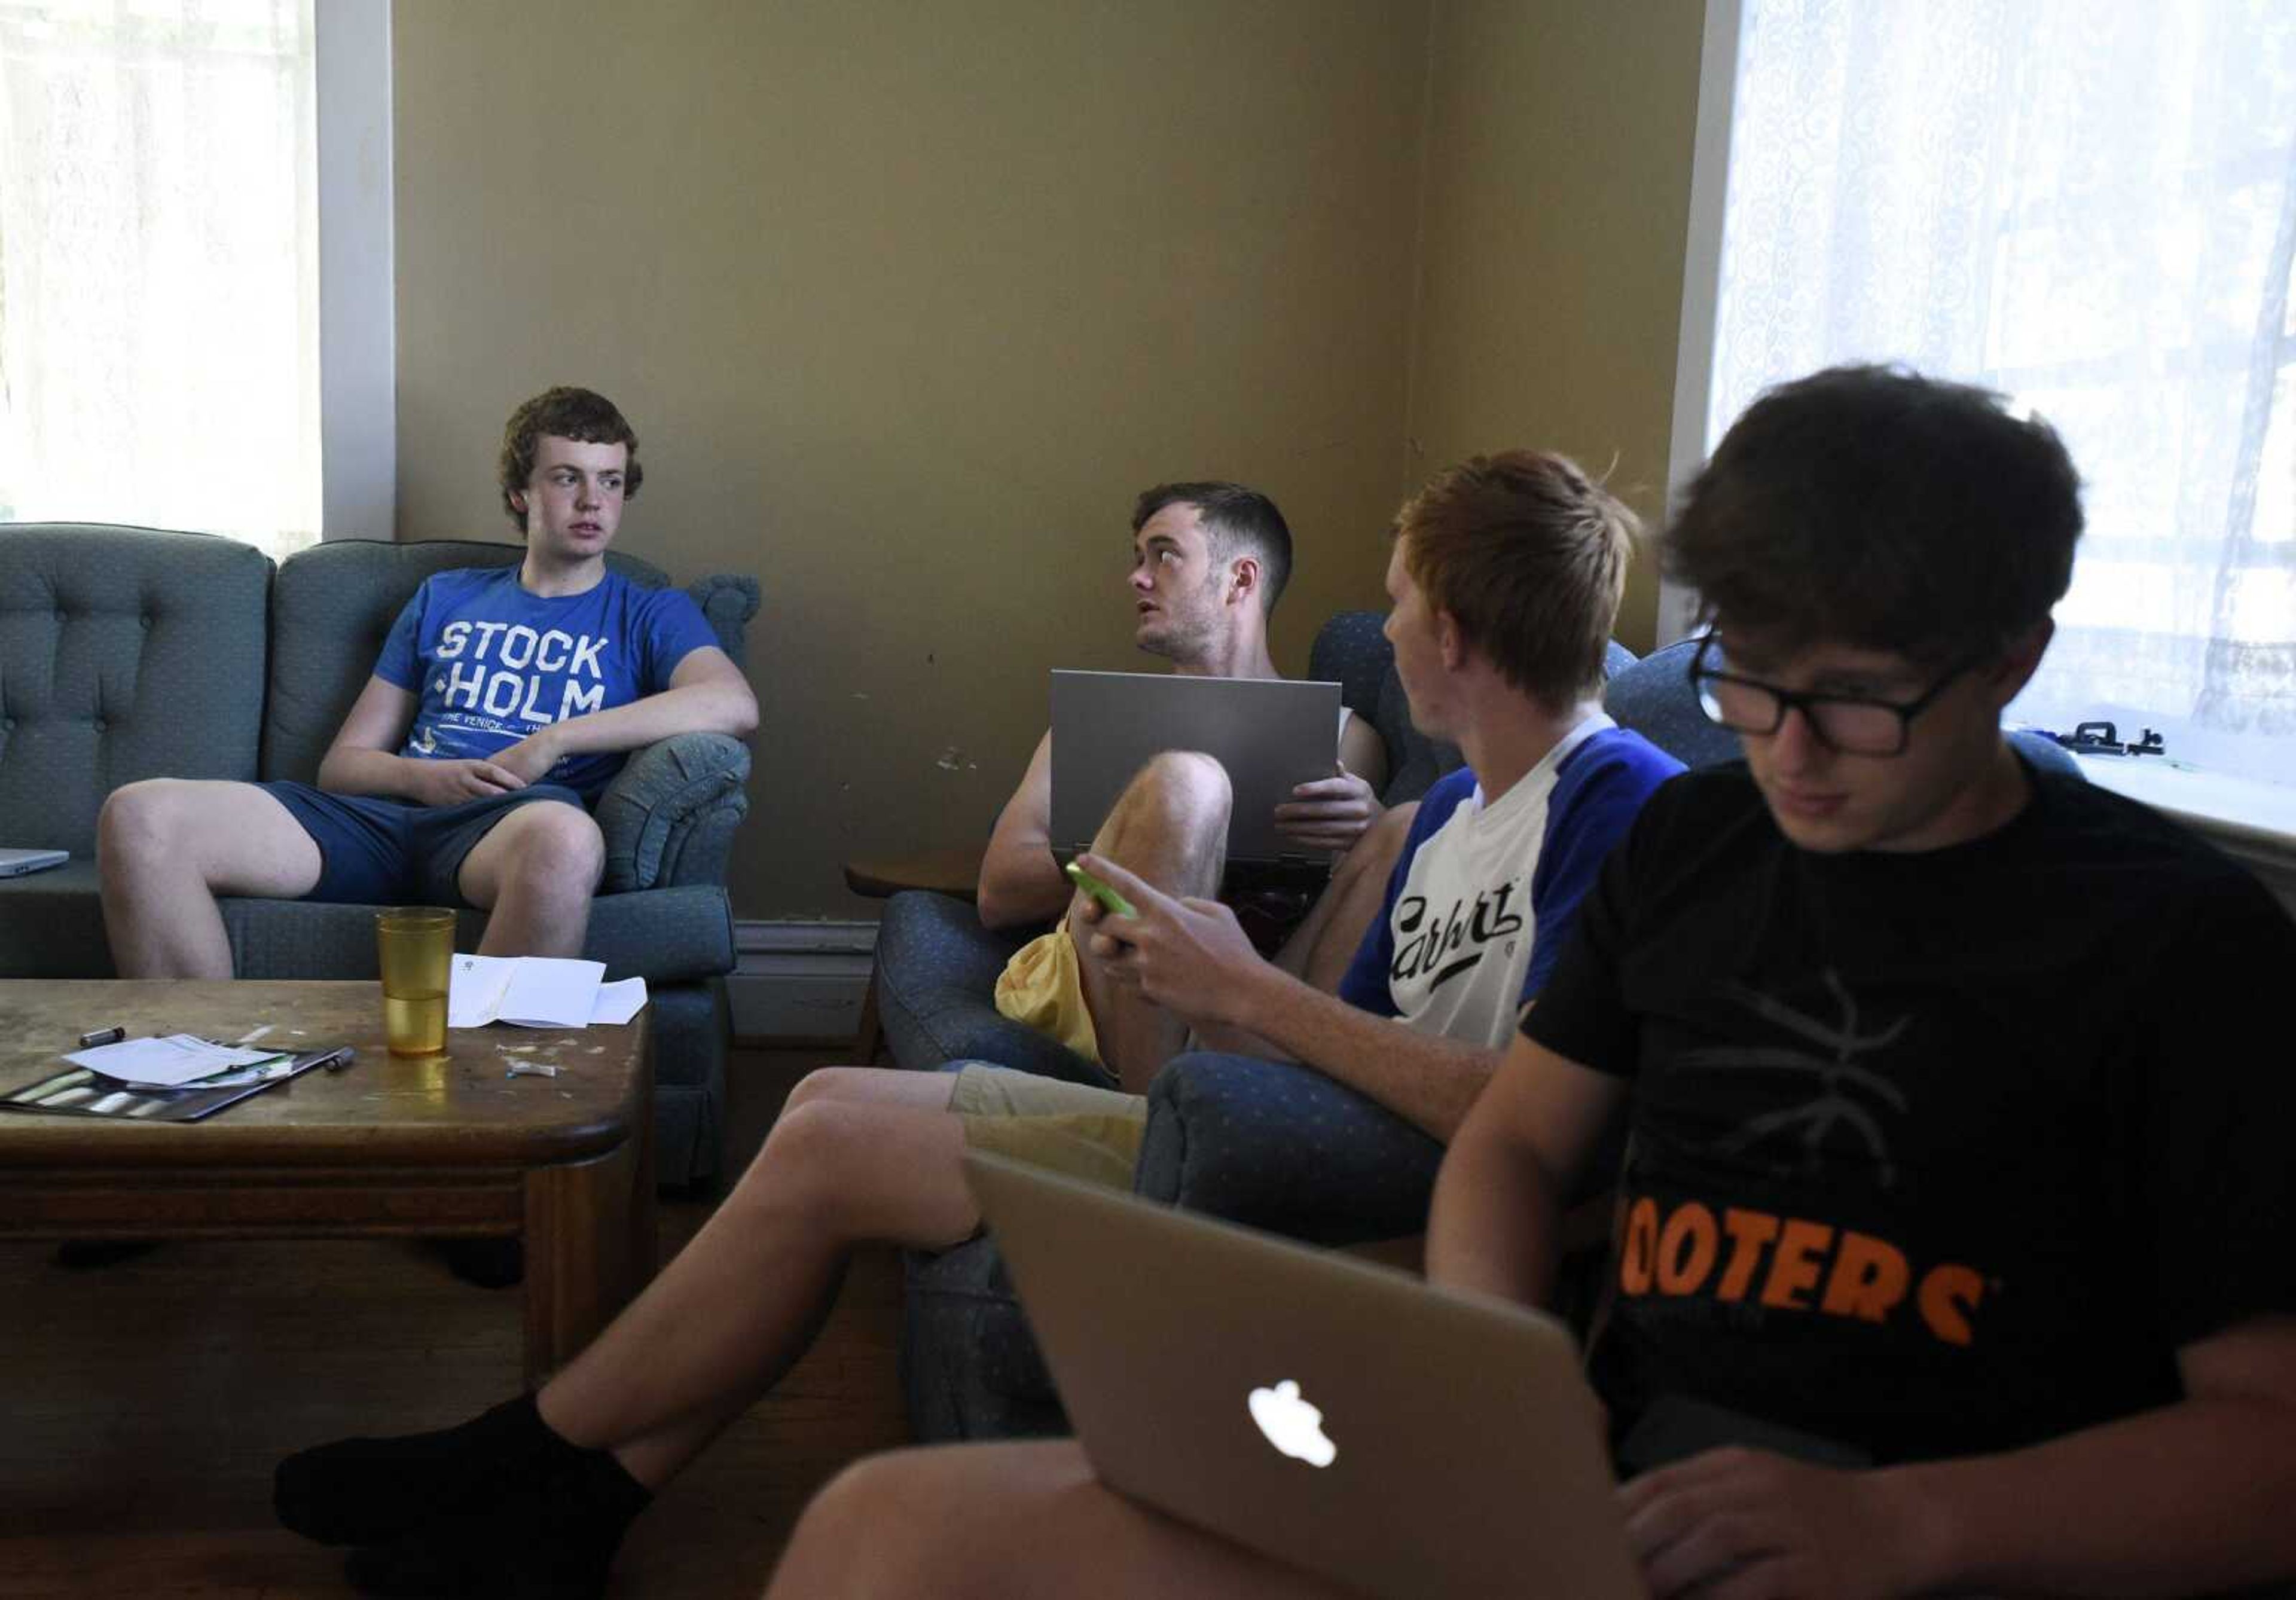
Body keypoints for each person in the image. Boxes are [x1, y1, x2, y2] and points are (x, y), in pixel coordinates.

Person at [760, 367, 2296, 1600]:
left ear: (2014, 657)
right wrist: (1497, 1372)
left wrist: (1900, 1530)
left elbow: (2266, 1447)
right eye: (1742, 680)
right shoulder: (1698, 845)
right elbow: (1509, 1142)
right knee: (884, 1532)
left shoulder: (2179, 947)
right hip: (1589, 1485)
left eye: (1855, 703)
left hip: (1916, 1535)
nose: (1786, 752)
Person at [269, 448, 1679, 1598]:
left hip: (1326, 1184)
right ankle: (569, 1507)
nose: (1377, 637)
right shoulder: (1442, 814)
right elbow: (1322, 1032)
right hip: (1258, 1123)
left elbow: (1536, 1112)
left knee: (830, 1137)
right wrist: (1233, 965)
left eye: (1391, 607)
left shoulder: (1613, 799)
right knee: (823, 1112)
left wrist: (1241, 988)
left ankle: (511, 1452)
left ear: (1448, 633)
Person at [96, 386, 758, 976]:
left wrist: (553, 741)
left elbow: (731, 703)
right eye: (568, 478)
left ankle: (477, 1103)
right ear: (520, 493)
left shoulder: (647, 608)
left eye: (611, 482)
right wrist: (423, 779)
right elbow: (344, 766)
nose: (593, 501)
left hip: (504, 831)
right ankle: (203, 1073)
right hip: (380, 820)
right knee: (141, 814)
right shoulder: (446, 597)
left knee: (567, 837)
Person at [976, 481, 1398, 1085]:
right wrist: (1140, 835)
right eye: (1138, 558)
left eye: (1163, 555)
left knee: (1395, 827)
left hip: (1257, 996)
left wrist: (1367, 824)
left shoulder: (1346, 740)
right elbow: (998, 895)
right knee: (1184, 784)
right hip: (1105, 985)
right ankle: (1157, 1110)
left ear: (1241, 580)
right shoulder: (1096, 723)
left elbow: (1344, 908)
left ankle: (1210, 1095)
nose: (1138, 578)